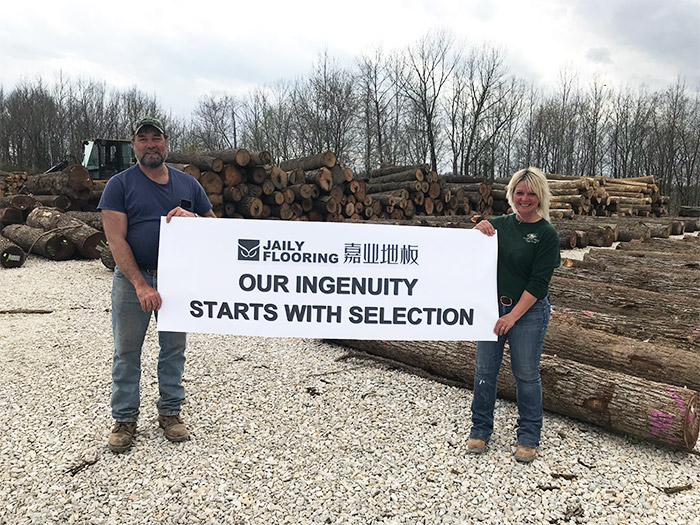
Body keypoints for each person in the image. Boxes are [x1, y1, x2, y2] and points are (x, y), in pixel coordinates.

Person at [99, 117, 216, 453]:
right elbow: (115, 239)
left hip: (177, 280)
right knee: (126, 351)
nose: (150, 143)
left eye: (156, 137)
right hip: (133, 281)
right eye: (143, 138)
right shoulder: (119, 185)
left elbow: (213, 228)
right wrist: (140, 284)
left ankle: (170, 412)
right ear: (133, 145)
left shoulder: (189, 184)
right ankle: (124, 419)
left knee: (174, 350)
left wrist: (193, 219)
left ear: (166, 142)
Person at [467, 167, 560, 463]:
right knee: (484, 371)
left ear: (541, 196)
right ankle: (480, 428)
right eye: (520, 192)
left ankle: (529, 434)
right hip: (492, 308)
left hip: (529, 312)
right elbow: (471, 253)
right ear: (511, 195)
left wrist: (513, 316)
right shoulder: (499, 226)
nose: (525, 198)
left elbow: (538, 283)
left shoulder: (546, 234)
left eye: (532, 193)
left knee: (526, 375)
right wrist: (476, 233)